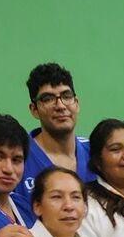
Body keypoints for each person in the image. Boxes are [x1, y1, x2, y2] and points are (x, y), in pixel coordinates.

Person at [15, 62, 94, 226]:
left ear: (76, 103)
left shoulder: (97, 153)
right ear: (34, 109)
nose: (60, 105)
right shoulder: (17, 159)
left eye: (66, 96)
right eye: (48, 99)